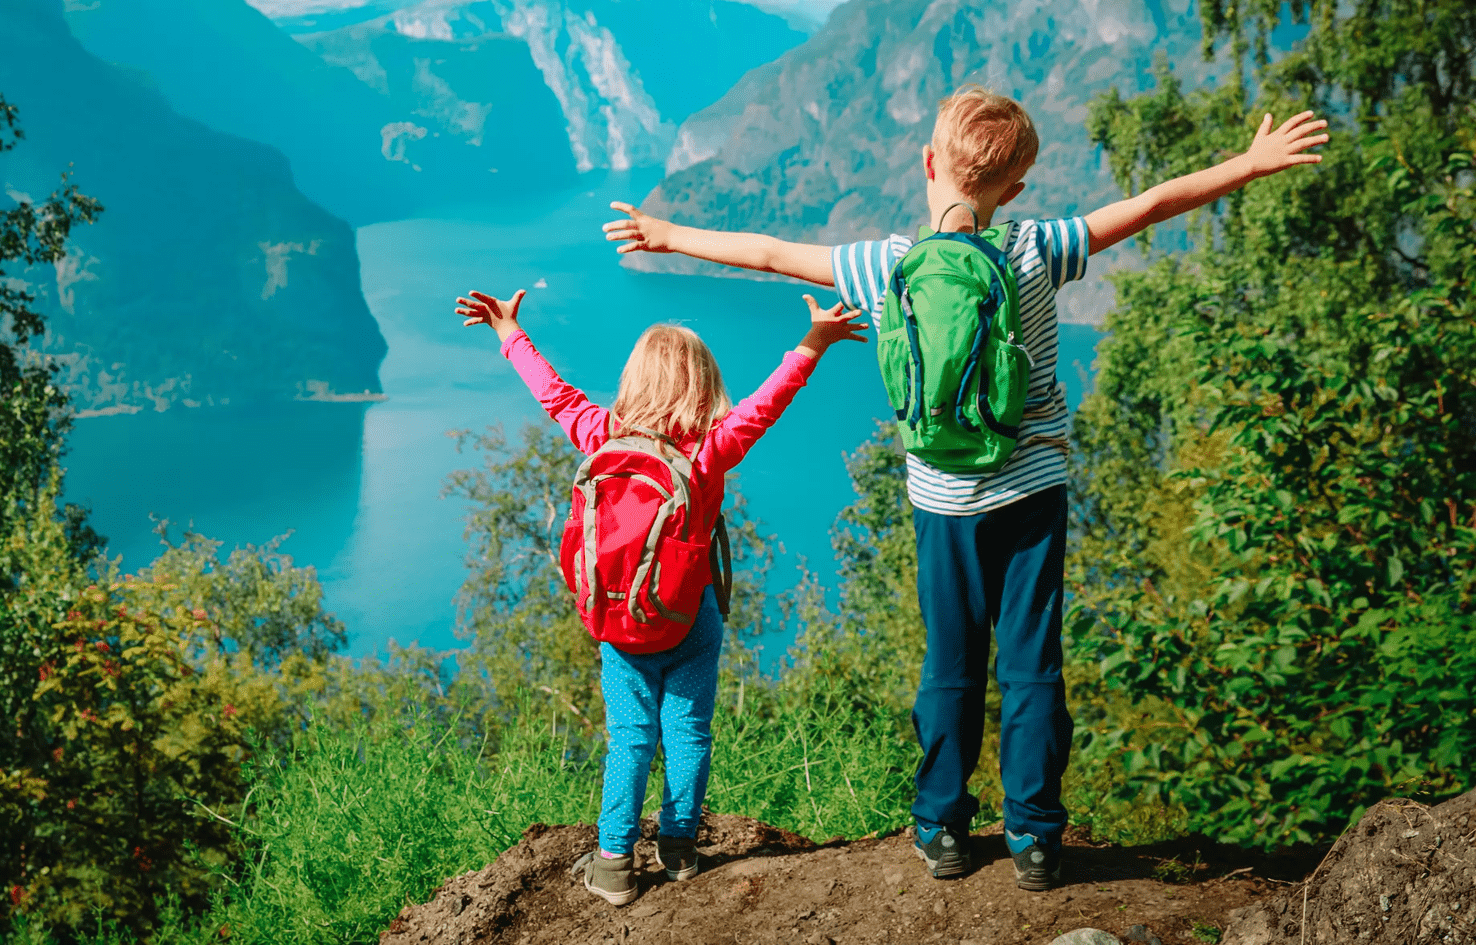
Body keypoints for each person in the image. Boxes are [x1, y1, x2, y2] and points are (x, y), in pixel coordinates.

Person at [601, 86, 1329, 892]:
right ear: (1014, 190)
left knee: (951, 664)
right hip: (1032, 495)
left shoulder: (885, 264)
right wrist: (1250, 165)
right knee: (1031, 665)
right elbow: (1152, 204)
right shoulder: (1039, 247)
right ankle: (1036, 836)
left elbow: (771, 253)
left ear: (927, 163)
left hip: (941, 503)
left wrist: (667, 235)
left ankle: (943, 828)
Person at [455, 285, 868, 905]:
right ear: (702, 387)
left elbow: (554, 394)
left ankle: (616, 862)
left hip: (619, 620)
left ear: (634, 379)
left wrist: (509, 333)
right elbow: (765, 404)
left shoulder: (601, 436)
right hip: (689, 616)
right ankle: (677, 850)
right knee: (689, 732)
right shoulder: (708, 451)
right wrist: (814, 341)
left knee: (630, 737)